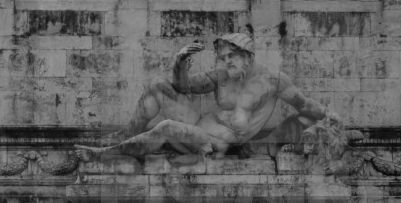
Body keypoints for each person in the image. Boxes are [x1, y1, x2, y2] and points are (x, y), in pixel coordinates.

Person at [74, 33, 341, 160]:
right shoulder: (222, 75)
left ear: (247, 56)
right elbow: (183, 87)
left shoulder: (274, 81)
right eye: (222, 57)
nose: (226, 62)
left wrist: (274, 139)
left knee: (166, 127)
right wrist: (180, 61)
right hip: (200, 122)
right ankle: (125, 137)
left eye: (231, 57)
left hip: (214, 141)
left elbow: (306, 107)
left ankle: (106, 155)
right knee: (157, 86)